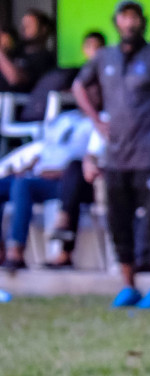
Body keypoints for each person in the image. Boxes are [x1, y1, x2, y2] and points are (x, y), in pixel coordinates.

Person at [72, 0, 150, 309]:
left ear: (142, 22)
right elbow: (80, 86)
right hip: (116, 156)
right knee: (118, 222)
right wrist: (96, 121)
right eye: (124, 17)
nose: (129, 23)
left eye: (134, 17)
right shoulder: (103, 57)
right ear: (116, 22)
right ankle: (128, 285)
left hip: (149, 155)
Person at [2, 108, 94, 270]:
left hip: (70, 182)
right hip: (37, 177)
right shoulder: (61, 122)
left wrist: (56, 173)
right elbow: (36, 154)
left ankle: (16, 251)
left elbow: (89, 163)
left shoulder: (95, 124)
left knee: (23, 185)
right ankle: (4, 251)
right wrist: (26, 167)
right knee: (15, 183)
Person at [0, 9, 57, 93]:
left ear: (43, 29)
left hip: (18, 103)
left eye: (29, 25)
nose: (23, 28)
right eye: (23, 25)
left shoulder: (45, 58)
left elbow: (15, 79)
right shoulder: (16, 52)